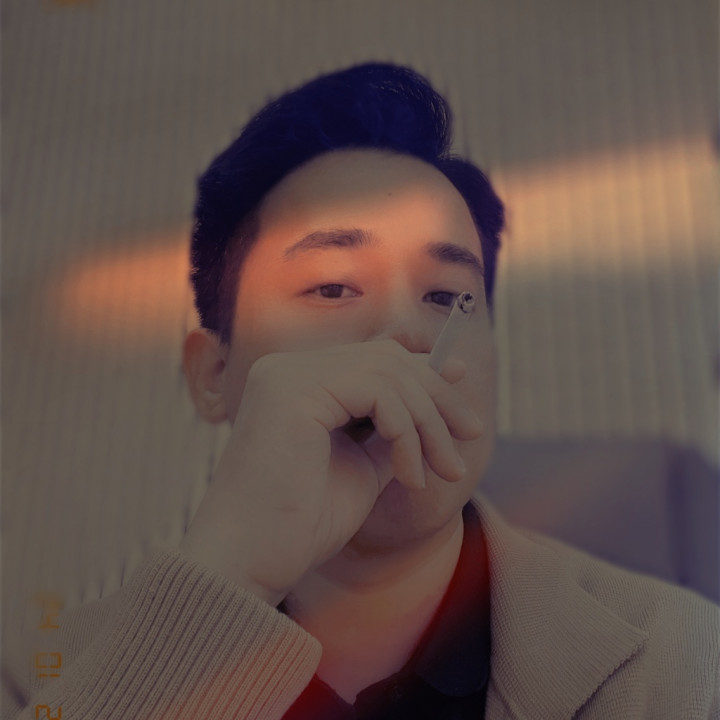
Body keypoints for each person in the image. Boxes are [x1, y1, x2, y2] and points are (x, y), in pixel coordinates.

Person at [3, 63, 718, 720]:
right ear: (213, 374)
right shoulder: (45, 676)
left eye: (447, 297)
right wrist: (228, 579)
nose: (406, 332)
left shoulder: (686, 665)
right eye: (333, 288)